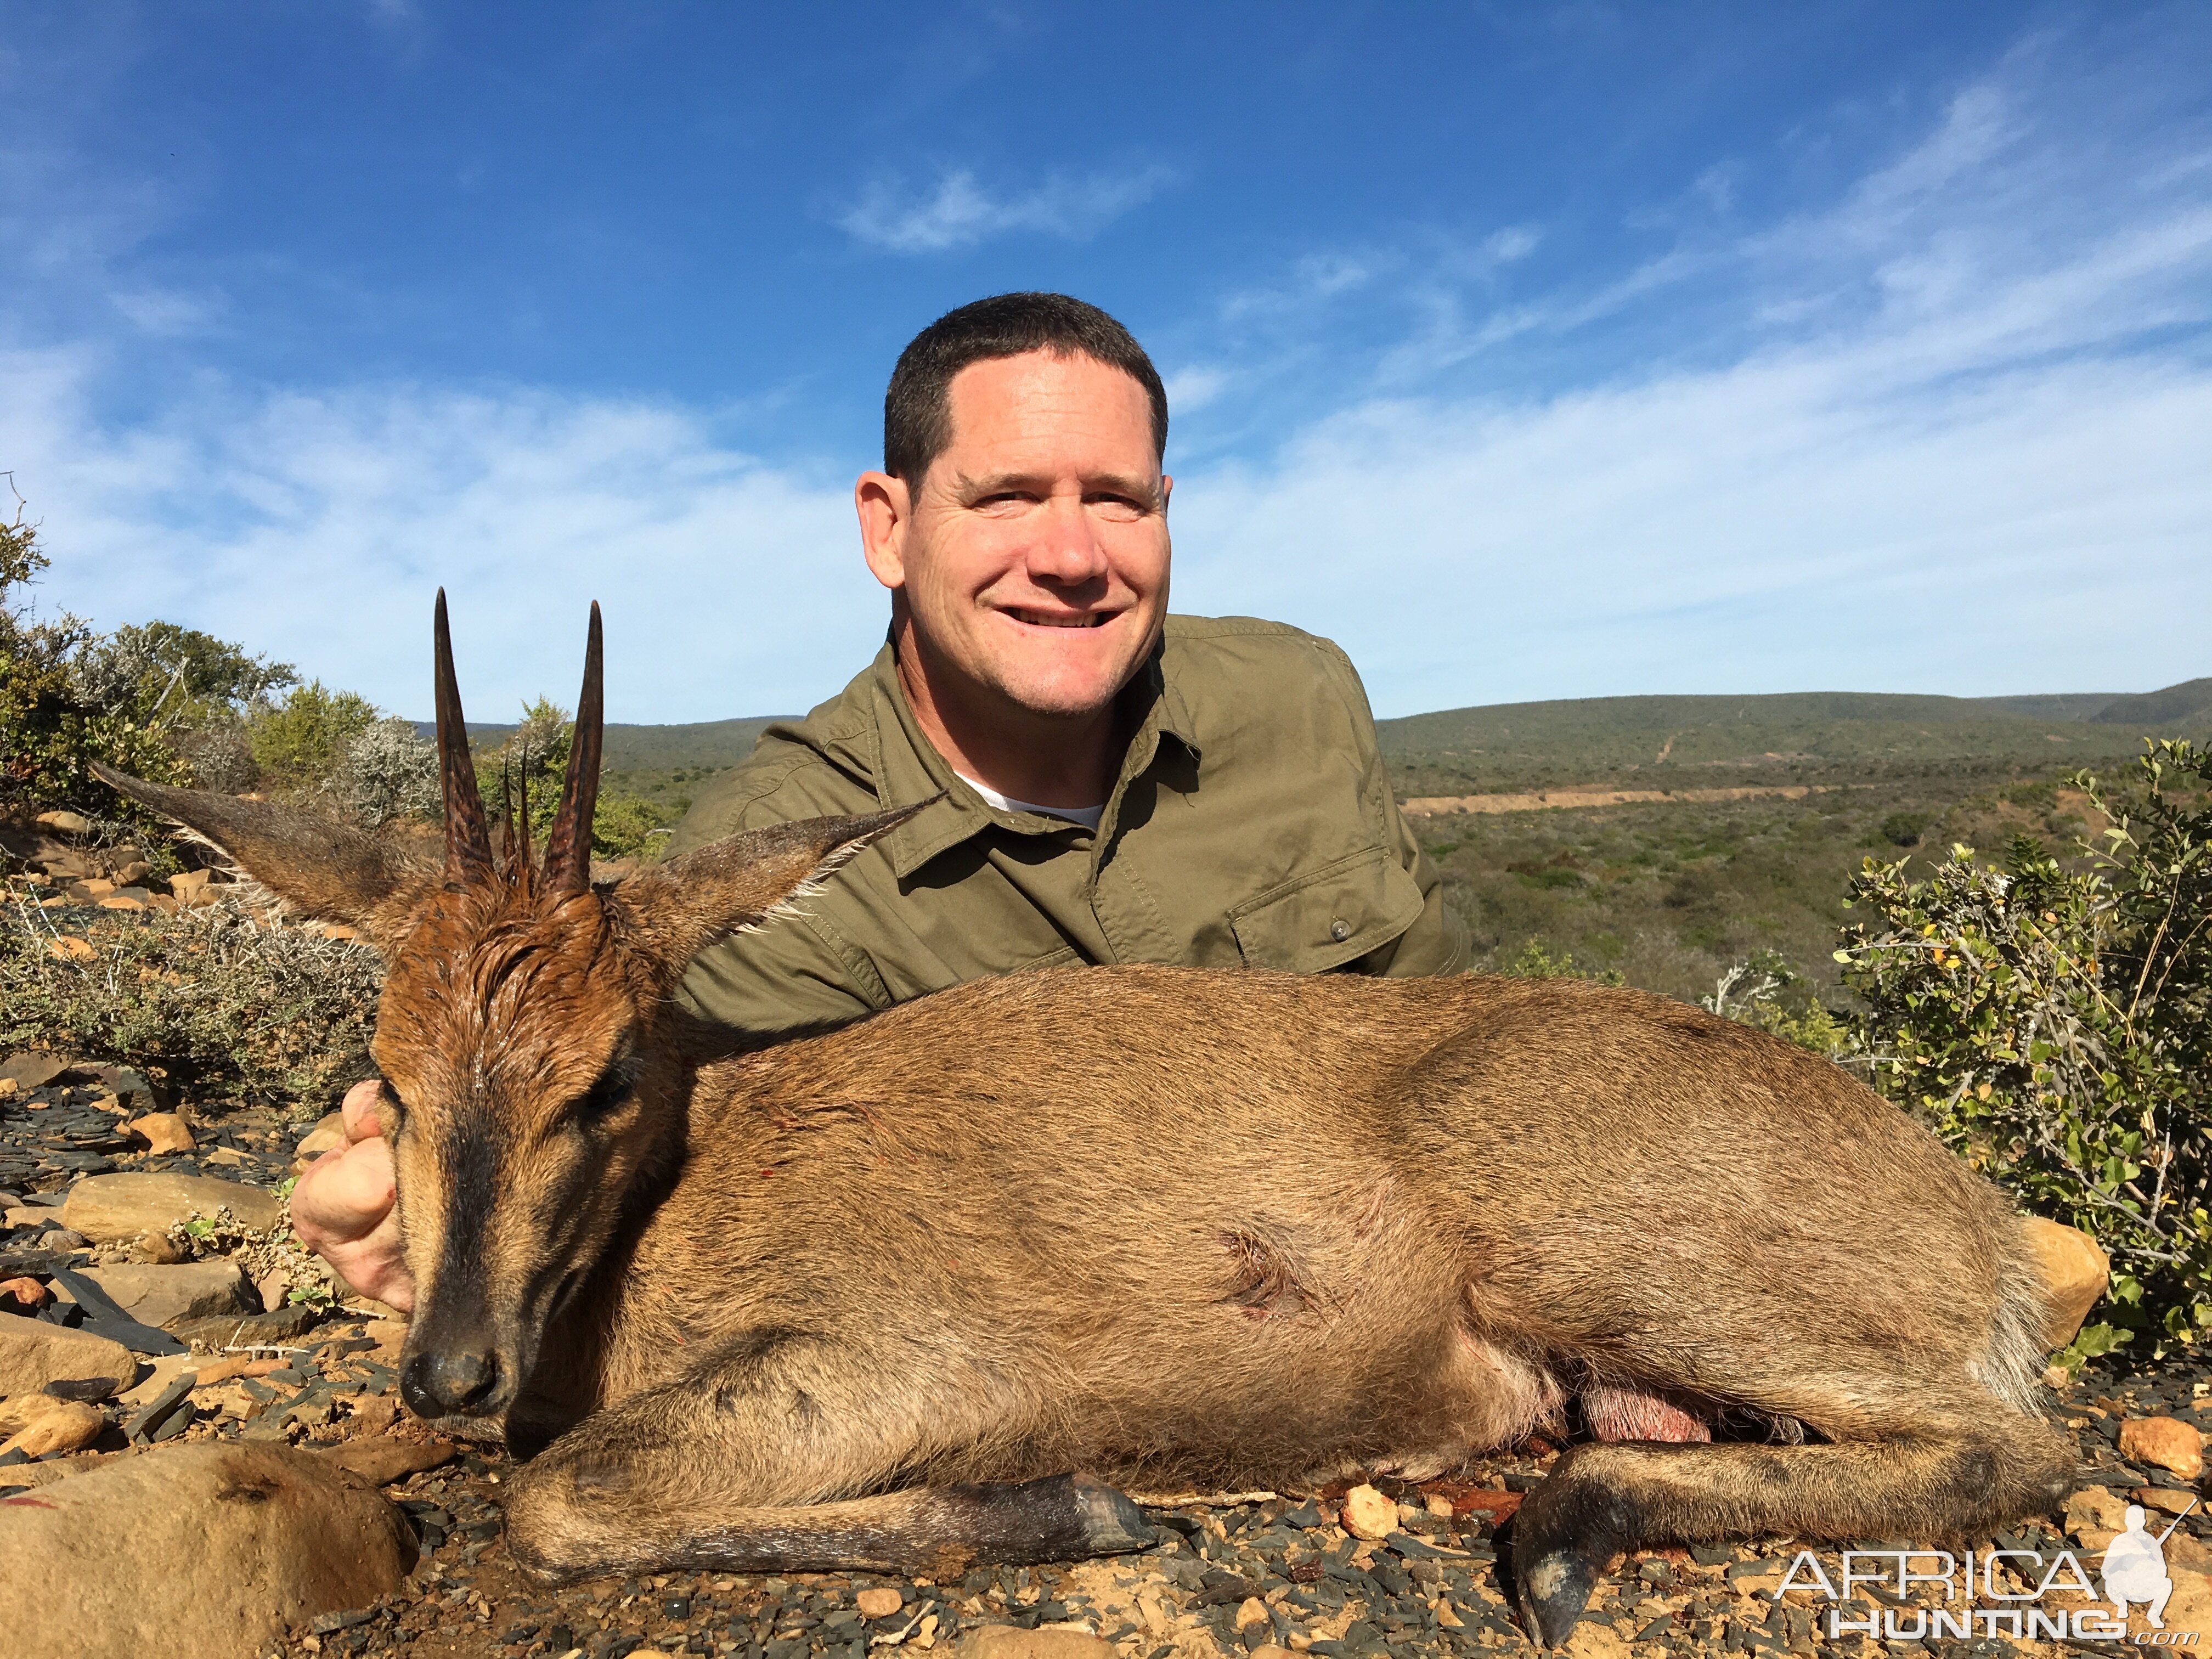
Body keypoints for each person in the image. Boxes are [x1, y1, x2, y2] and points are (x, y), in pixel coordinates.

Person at [293, 292, 1469, 1311]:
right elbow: (624, 1137)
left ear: (1167, 509)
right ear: (889, 528)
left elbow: (1444, 1021)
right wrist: (450, 1210)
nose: (1072, 555)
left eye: (1117, 500)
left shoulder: (1298, 694)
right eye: (1004, 497)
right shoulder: (772, 881)